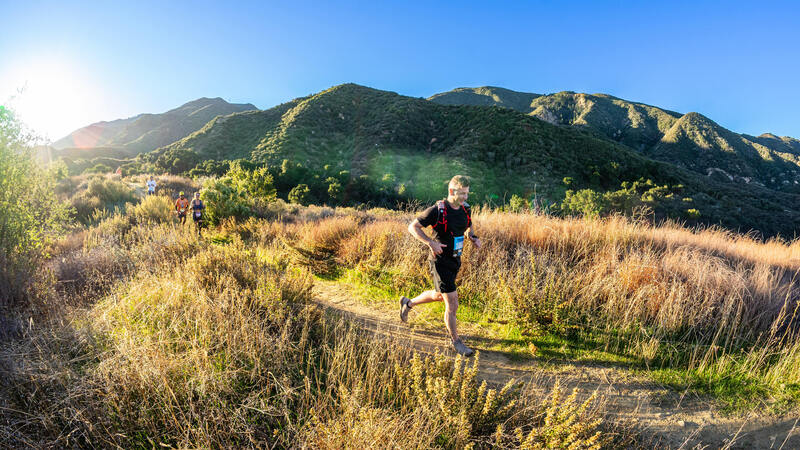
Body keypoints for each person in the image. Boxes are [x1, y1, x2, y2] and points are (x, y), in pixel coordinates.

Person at [399, 175, 482, 356]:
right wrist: (430, 242)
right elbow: (413, 227)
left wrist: (473, 238)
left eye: (467, 194)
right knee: (452, 303)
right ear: (451, 191)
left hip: (455, 260)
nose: (465, 198)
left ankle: (408, 303)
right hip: (440, 261)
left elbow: (468, 228)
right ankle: (456, 342)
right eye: (462, 194)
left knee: (439, 296)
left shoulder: (466, 209)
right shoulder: (437, 210)